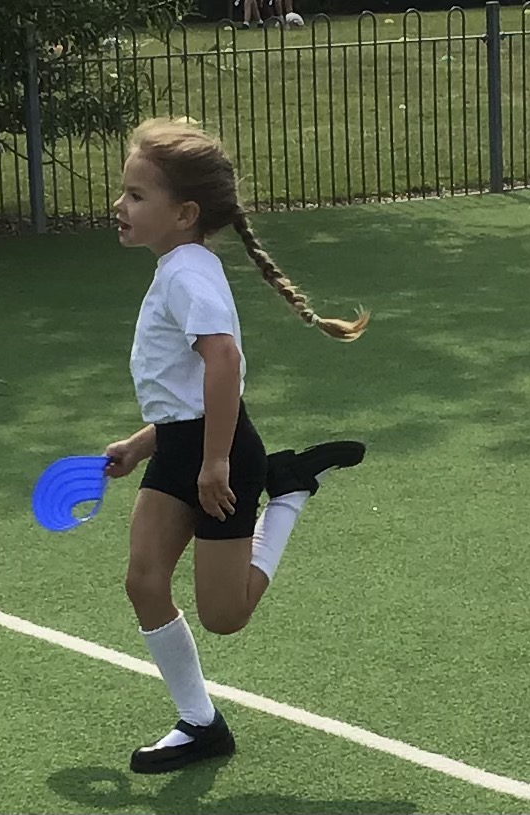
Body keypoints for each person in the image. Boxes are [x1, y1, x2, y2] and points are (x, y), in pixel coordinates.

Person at [106, 117, 369, 774]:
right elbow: (186, 391)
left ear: (184, 213)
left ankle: (290, 493)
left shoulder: (188, 275)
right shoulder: (177, 268)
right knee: (143, 580)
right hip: (180, 449)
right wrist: (142, 445)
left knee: (224, 615)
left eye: (136, 195)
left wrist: (216, 460)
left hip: (216, 456)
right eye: (124, 192)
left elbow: (222, 362)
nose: (120, 205)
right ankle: (200, 723)